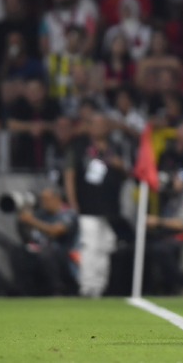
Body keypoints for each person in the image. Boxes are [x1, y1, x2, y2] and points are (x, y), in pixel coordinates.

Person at [64, 113, 127, 297]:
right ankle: (87, 286)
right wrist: (73, 201)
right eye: (96, 123)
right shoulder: (79, 146)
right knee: (89, 246)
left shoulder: (115, 147)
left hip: (109, 208)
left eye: (103, 124)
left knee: (106, 246)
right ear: (89, 126)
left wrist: (119, 165)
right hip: (87, 206)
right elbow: (69, 174)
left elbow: (128, 173)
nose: (100, 127)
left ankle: (100, 287)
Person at [17, 186, 79, 295]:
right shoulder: (40, 214)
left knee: (47, 253)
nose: (43, 203)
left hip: (64, 253)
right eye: (42, 200)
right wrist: (22, 221)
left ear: (57, 198)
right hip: (42, 251)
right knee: (19, 252)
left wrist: (31, 220)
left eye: (46, 199)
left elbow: (56, 231)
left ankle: (57, 289)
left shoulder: (67, 212)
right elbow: (27, 238)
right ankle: (25, 291)